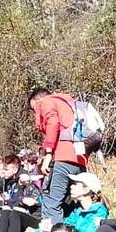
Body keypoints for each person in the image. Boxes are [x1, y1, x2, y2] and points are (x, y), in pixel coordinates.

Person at [28, 86, 87, 223]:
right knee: (71, 202)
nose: (35, 112)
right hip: (80, 158)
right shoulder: (68, 104)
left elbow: (52, 123)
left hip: (63, 157)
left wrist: (48, 153)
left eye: (34, 108)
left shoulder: (46, 102)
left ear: (38, 100)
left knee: (51, 204)